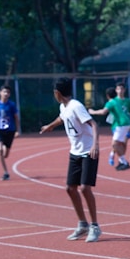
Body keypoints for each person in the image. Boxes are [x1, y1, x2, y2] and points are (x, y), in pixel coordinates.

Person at [39, 77, 101, 242]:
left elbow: (94, 124)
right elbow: (62, 117)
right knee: (70, 188)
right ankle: (83, 224)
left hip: (88, 152)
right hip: (75, 152)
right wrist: (51, 126)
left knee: (84, 188)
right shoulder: (64, 106)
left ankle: (95, 226)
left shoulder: (76, 106)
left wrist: (95, 145)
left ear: (57, 93)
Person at [87, 82, 130, 171]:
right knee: (119, 144)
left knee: (115, 144)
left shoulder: (127, 101)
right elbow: (105, 111)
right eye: (118, 89)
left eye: (122, 89)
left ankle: (123, 161)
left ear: (124, 90)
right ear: (116, 90)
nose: (120, 90)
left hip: (123, 125)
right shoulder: (113, 101)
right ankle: (121, 161)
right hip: (118, 125)